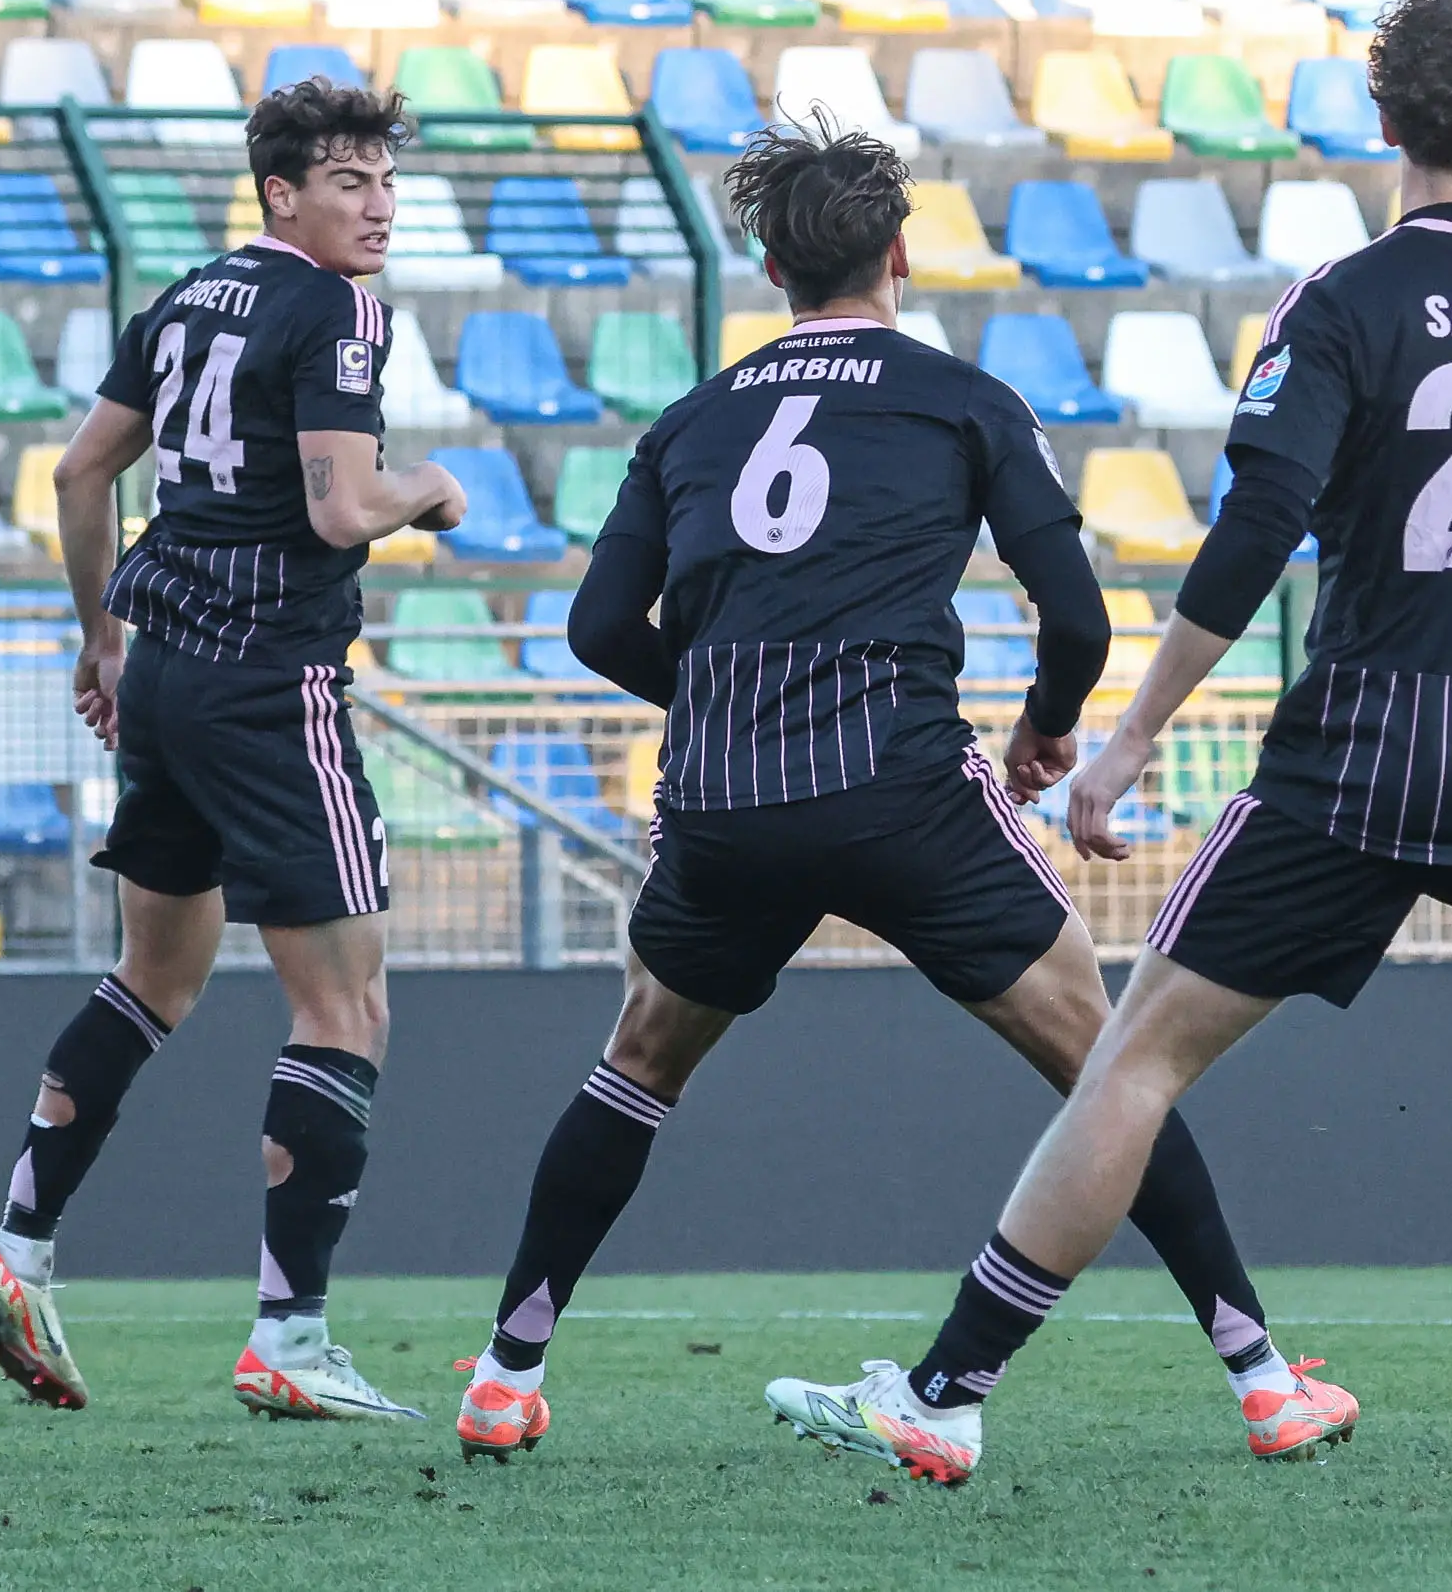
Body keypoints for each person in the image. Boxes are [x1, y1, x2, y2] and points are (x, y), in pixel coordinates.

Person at [760, 0, 1452, 1535]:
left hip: (1362, 751)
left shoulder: (1347, 302)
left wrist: (1131, 738)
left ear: (1380, 124)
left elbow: (1253, 536)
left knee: (1138, 1056)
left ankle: (946, 1398)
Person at [453, 123, 1348, 1473]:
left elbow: (593, 626)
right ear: (900, 255)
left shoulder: (690, 419)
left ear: (765, 267)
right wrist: (1048, 733)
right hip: (898, 784)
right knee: (1112, 1064)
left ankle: (505, 1372)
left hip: (726, 796)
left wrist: (710, 707)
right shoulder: (963, 400)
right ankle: (1264, 1377)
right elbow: (1078, 621)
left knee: (637, 1062)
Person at [0, 79, 466, 1423]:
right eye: (349, 181)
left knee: (153, 976)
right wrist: (428, 487)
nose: (378, 205)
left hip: (167, 666)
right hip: (265, 679)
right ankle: (288, 1338)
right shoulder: (338, 307)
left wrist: (100, 639)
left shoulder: (186, 299)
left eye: (386, 181)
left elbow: (80, 476)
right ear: (282, 193)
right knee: (345, 1009)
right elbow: (344, 505)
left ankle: (16, 1244)